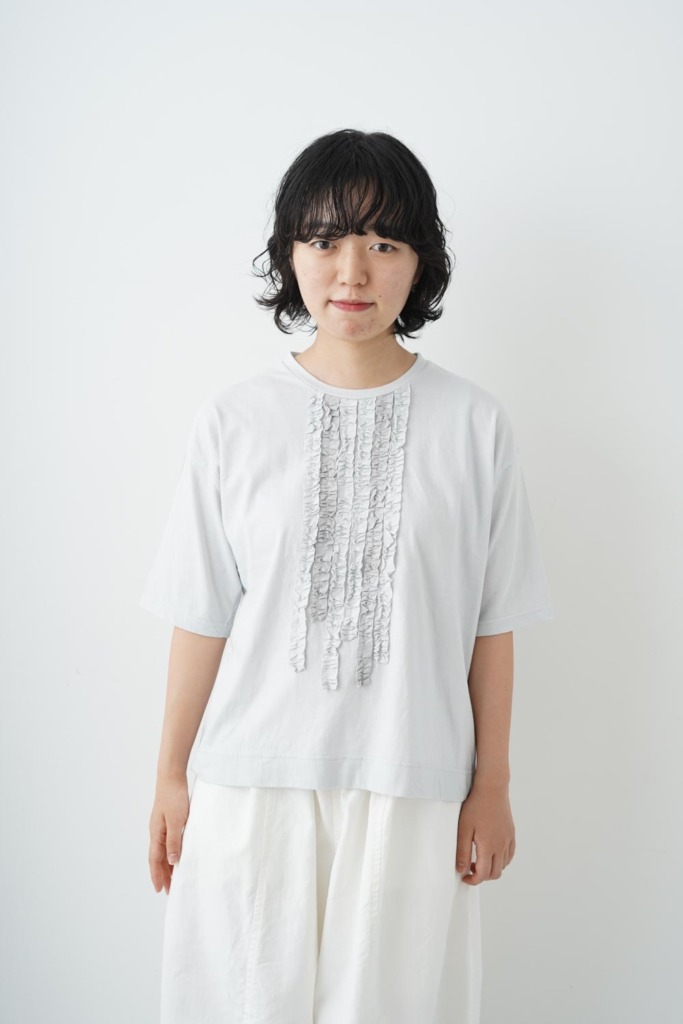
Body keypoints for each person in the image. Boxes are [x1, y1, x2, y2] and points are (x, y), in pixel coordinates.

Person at [140, 128, 555, 1024]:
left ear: (420, 261)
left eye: (383, 243)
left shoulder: (473, 425)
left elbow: (492, 623)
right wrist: (170, 775)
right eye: (325, 240)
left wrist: (491, 785)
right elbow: (201, 613)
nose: (352, 272)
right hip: (250, 787)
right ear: (289, 253)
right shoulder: (235, 421)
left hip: (411, 785)